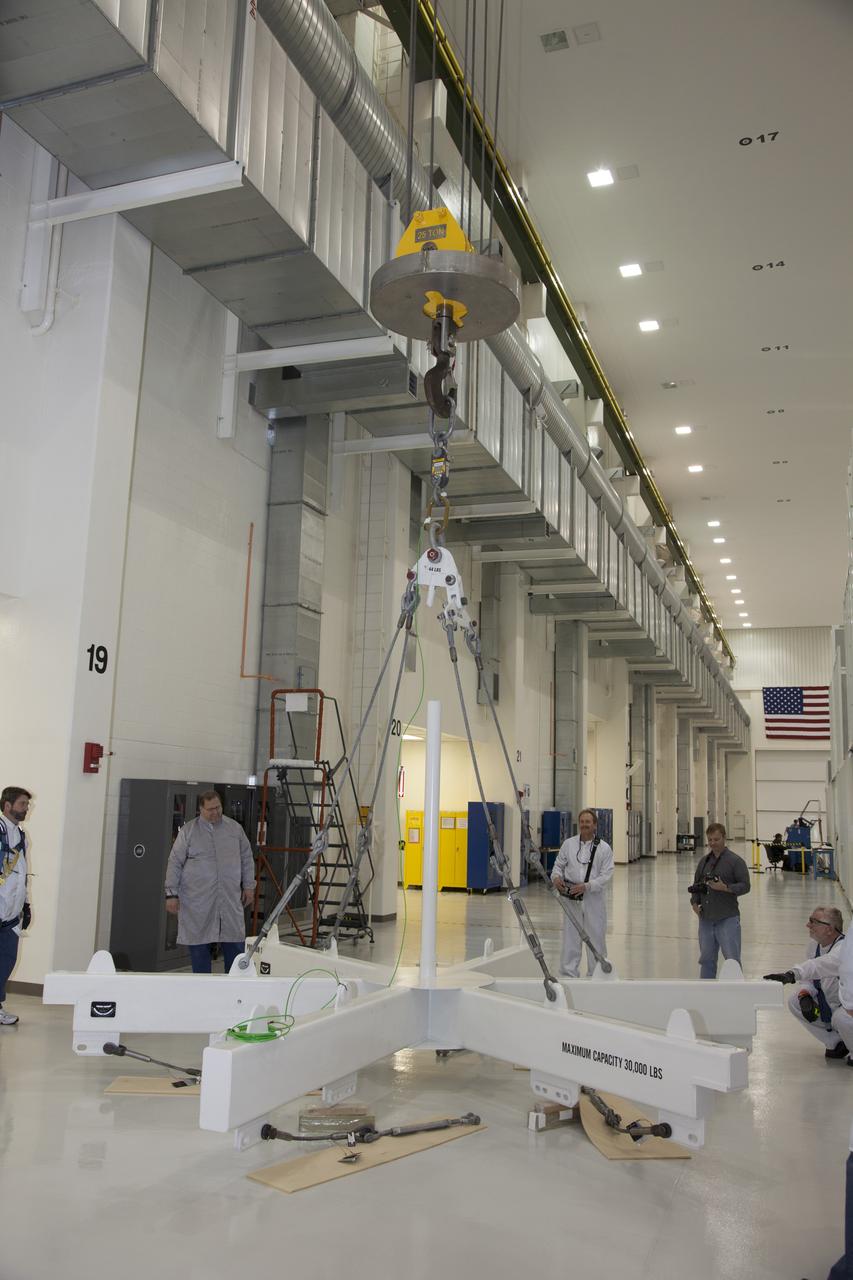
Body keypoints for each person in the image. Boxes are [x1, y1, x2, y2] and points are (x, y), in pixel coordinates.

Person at [164, 790, 255, 974]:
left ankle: (235, 986)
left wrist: (249, 886)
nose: (215, 813)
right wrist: (171, 894)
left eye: (218, 807)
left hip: (229, 898)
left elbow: (247, 858)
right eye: (210, 809)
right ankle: (203, 987)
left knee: (234, 943)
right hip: (197, 901)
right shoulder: (189, 831)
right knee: (198, 946)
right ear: (200, 809)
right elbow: (174, 862)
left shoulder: (235, 829)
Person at [762, 907, 848, 1059]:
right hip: (830, 1005)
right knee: (795, 1001)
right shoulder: (814, 945)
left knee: (841, 1018)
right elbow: (810, 978)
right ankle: (834, 1042)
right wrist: (805, 994)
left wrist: (792, 974)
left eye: (813, 922)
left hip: (846, 1009)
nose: (808, 925)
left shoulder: (844, 949)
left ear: (829, 929)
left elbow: (819, 965)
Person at [551, 807, 614, 977]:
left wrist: (587, 886)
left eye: (588, 822)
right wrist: (556, 878)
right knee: (571, 936)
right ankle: (568, 973)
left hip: (593, 899)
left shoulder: (604, 848)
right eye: (582, 822)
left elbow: (606, 875)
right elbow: (558, 865)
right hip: (571, 898)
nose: (584, 825)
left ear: (595, 825)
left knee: (596, 936)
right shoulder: (569, 844)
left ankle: (597, 973)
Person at [691, 822, 750, 978]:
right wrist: (694, 903)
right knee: (706, 960)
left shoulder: (736, 862)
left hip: (727, 918)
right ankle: (706, 992)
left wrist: (726, 888)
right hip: (706, 919)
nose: (712, 843)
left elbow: (745, 886)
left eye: (716, 839)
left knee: (732, 960)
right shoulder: (704, 862)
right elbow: (696, 884)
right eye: (710, 840)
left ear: (724, 838)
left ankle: (735, 994)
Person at [0, 787, 33, 1026]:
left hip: (11, 913)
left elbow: (22, 872)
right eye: (22, 804)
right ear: (8, 805)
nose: (26, 808)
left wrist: (26, 903)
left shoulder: (21, 835)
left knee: (7, 960)